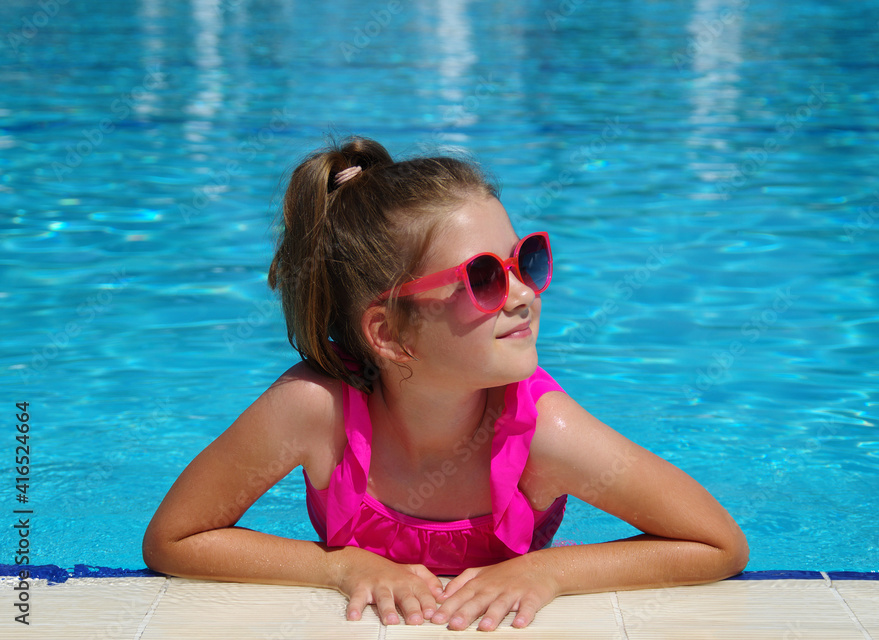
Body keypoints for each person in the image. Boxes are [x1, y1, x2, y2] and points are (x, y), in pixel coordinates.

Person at [143, 136, 748, 632]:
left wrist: (550, 574)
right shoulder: (313, 413)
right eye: (483, 278)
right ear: (386, 332)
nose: (522, 295)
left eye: (525, 260)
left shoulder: (543, 434)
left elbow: (717, 544)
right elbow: (174, 537)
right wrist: (339, 569)